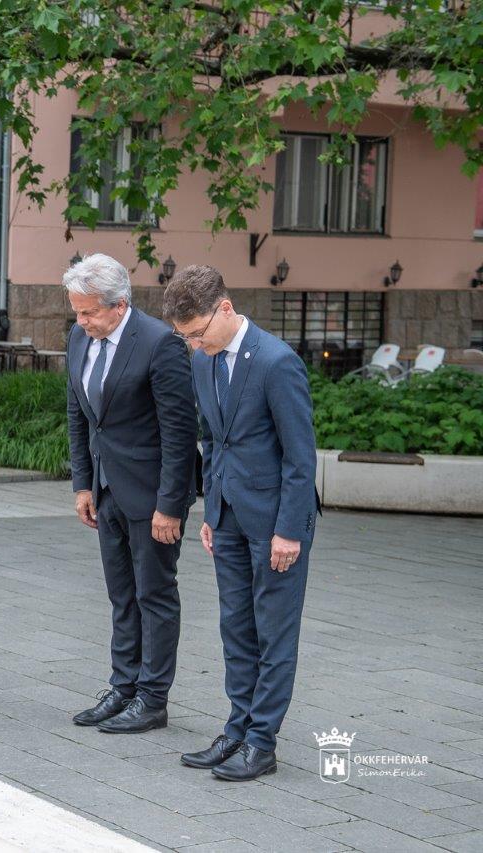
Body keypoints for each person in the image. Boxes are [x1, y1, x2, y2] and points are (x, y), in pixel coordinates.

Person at [162, 264, 318, 782]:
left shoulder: (277, 362)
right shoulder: (203, 361)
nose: (193, 345)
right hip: (227, 517)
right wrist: (212, 511)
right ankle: (237, 729)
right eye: (185, 338)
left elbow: (301, 457)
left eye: (197, 333)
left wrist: (289, 531)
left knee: (273, 634)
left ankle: (261, 742)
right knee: (236, 628)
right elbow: (213, 440)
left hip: (276, 525)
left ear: (225, 308)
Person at [65, 254, 197, 735]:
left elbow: (180, 433)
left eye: (89, 312)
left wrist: (170, 505)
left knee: (154, 595)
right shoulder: (80, 337)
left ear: (119, 304)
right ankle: (123, 687)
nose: (81, 321)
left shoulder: (161, 344)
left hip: (152, 496)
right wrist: (83, 483)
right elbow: (79, 415)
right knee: (121, 595)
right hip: (106, 490)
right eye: (77, 312)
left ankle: (152, 698)